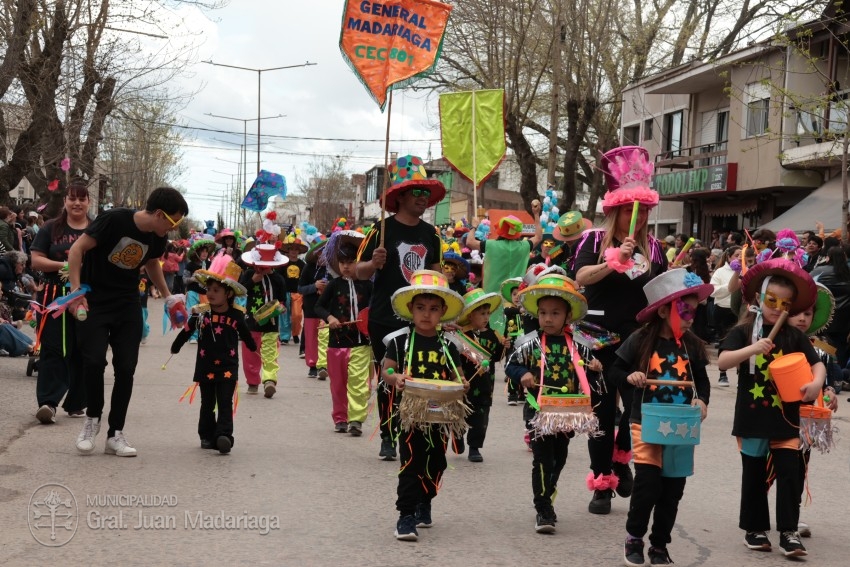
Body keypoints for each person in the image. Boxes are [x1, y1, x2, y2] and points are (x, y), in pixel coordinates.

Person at [573, 145, 668, 514]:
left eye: (643, 210)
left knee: (634, 408)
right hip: (595, 335)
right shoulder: (594, 241)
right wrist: (615, 262)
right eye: (631, 210)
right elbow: (580, 278)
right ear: (615, 210)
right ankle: (600, 481)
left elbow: (660, 293)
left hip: (638, 339)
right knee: (599, 412)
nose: (638, 217)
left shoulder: (656, 249)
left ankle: (620, 460)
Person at [68, 186, 188, 457]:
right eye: (174, 220)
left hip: (127, 305)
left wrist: (168, 297)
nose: (175, 227)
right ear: (159, 214)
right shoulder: (114, 219)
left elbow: (152, 262)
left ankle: (115, 434)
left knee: (126, 367)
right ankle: (92, 421)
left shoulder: (157, 236)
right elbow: (77, 250)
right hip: (94, 301)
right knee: (94, 360)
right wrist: (76, 293)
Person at [717, 258, 823, 557]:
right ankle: (754, 528)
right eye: (771, 300)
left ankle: (788, 531)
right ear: (759, 300)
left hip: (787, 418)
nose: (777, 308)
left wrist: (816, 383)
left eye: (784, 303)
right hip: (752, 416)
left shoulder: (793, 335)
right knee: (754, 473)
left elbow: (817, 364)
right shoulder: (744, 330)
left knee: (790, 471)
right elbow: (723, 361)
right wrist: (753, 347)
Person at [612, 269, 712, 566]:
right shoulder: (641, 339)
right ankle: (634, 537)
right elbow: (615, 370)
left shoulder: (692, 344)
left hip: (681, 424)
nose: (690, 316)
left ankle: (659, 545)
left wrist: (702, 401)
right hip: (646, 420)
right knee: (648, 485)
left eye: (694, 310)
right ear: (665, 308)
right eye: (685, 309)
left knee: (672, 490)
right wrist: (630, 376)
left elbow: (703, 382)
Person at [357, 154, 445, 461]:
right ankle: (387, 432)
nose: (422, 199)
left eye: (426, 193)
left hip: (420, 318)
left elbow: (437, 275)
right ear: (401, 195)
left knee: (419, 374)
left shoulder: (432, 234)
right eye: (416, 193)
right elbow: (358, 272)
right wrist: (373, 262)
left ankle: (418, 426)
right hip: (384, 317)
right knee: (389, 377)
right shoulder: (381, 230)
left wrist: (445, 310)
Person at [505, 274, 596, 533]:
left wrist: (595, 368)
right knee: (543, 460)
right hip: (539, 411)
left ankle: (548, 491)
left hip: (567, 413)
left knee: (560, 457)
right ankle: (543, 508)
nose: (548, 318)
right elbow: (511, 364)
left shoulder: (579, 346)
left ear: (567, 316)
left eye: (555, 313)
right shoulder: (529, 342)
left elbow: (590, 375)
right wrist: (521, 374)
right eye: (543, 312)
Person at [381, 269, 467, 542]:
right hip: (410, 414)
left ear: (442, 311)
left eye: (433, 309)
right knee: (410, 462)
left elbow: (458, 375)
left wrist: (462, 383)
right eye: (420, 308)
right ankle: (405, 516)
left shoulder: (448, 345)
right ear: (410, 309)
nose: (426, 314)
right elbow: (386, 371)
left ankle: (425, 499)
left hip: (441, 415)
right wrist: (397, 378)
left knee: (436, 462)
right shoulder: (400, 341)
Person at [171, 255, 256, 454]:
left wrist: (253, 347)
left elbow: (245, 333)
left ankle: (224, 436)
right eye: (208, 289)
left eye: (216, 290)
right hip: (205, 365)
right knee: (207, 403)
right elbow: (187, 330)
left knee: (225, 401)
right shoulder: (201, 313)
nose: (210, 293)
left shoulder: (236, 315)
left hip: (228, 366)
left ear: (228, 293)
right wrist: (176, 346)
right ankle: (207, 435)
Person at [30, 181, 91, 423]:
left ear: (88, 202)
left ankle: (77, 402)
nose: (77, 203)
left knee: (84, 349)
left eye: (82, 198)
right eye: (72, 198)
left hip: (87, 295)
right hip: (54, 295)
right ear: (65, 201)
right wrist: (66, 265)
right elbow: (36, 260)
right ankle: (48, 402)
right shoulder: (50, 228)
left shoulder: (97, 228)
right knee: (54, 349)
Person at [787, 283, 840, 538]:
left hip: (809, 417)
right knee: (770, 468)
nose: (802, 318)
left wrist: (829, 392)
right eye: (797, 312)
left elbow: (828, 379)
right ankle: (759, 517)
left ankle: (792, 516)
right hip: (780, 414)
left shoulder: (821, 347)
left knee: (800, 467)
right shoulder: (778, 342)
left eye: (808, 313)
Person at [313, 232, 371, 435]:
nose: (346, 266)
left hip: (361, 343)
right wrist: (330, 318)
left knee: (358, 382)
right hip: (336, 343)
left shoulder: (368, 285)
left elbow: (376, 310)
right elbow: (318, 307)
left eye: (351, 262)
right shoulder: (334, 286)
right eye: (342, 262)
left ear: (359, 262)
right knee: (338, 384)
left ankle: (356, 420)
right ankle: (340, 418)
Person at [456, 288, 506, 462]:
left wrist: (504, 346)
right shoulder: (463, 335)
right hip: (465, 383)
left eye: (487, 313)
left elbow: (497, 357)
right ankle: (458, 435)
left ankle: (474, 447)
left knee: (480, 417)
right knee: (460, 412)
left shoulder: (493, 335)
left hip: (485, 385)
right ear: (470, 316)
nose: (486, 317)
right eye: (481, 313)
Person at [239, 243, 287, 398]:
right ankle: (252, 382)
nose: (263, 268)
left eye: (267, 265)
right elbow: (240, 292)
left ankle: (269, 380)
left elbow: (282, 299)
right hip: (251, 323)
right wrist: (253, 280)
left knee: (270, 353)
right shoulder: (248, 274)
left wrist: (282, 307)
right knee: (250, 353)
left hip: (271, 324)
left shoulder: (278, 278)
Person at [810, 246, 850, 368]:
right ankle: (840, 370)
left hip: (823, 315)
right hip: (844, 318)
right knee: (841, 345)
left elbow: (807, 285)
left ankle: (826, 370)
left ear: (828, 257)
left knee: (821, 343)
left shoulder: (818, 271)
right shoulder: (847, 273)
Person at [298, 236, 331, 379]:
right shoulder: (308, 268)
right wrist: (314, 286)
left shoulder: (333, 268)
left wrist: (328, 287)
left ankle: (323, 365)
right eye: (321, 252)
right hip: (311, 308)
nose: (324, 255)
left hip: (326, 308)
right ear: (317, 253)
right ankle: (312, 365)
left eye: (327, 251)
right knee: (311, 337)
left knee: (325, 337)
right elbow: (300, 288)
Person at [710, 245, 742, 386]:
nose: (739, 258)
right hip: (723, 310)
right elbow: (713, 291)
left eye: (742, 255)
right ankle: (722, 374)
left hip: (740, 311)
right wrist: (730, 287)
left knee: (742, 342)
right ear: (729, 257)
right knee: (724, 341)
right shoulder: (720, 272)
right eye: (736, 255)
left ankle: (740, 371)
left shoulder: (746, 271)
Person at [184, 237, 216, 343]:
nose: (204, 254)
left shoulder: (209, 264)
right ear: (197, 252)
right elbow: (184, 280)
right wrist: (193, 278)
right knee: (193, 313)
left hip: (205, 293)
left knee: (205, 314)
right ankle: (192, 336)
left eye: (206, 251)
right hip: (192, 292)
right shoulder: (190, 265)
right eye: (202, 251)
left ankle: (203, 334)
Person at [277, 234, 307, 346]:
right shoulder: (283, 263)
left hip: (298, 293)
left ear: (298, 251)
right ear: (288, 251)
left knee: (297, 315)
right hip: (285, 293)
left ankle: (295, 333)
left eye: (296, 249)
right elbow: (279, 278)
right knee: (284, 315)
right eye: (291, 249)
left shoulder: (302, 264)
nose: (294, 251)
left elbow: (305, 279)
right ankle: (284, 336)